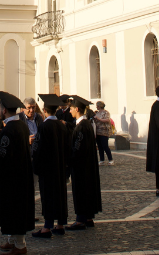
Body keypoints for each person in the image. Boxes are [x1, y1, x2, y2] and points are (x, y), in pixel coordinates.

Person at [0, 91, 35, 255]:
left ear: (3, 111)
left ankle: (20, 245)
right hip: (21, 174)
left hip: (12, 178)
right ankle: (12, 240)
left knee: (14, 210)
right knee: (15, 209)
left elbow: (2, 155)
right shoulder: (21, 125)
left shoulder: (9, 130)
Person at [32, 93, 70, 239]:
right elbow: (67, 148)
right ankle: (60, 225)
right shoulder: (62, 126)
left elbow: (38, 149)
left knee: (47, 196)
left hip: (47, 170)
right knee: (60, 195)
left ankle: (47, 227)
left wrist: (36, 165)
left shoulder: (44, 126)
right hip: (60, 168)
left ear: (44, 110)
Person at [66, 96, 102, 230]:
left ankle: (81, 219)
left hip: (81, 167)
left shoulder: (81, 127)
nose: (69, 111)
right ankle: (88, 216)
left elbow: (77, 148)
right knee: (88, 190)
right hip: (88, 165)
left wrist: (70, 160)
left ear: (77, 109)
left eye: (70, 109)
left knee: (81, 190)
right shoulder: (86, 125)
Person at [93, 100, 114, 165]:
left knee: (105, 146)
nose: (96, 107)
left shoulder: (106, 112)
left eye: (97, 106)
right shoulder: (97, 113)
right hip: (98, 131)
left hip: (104, 132)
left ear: (99, 106)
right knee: (99, 146)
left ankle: (110, 159)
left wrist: (98, 119)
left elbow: (107, 120)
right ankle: (102, 159)